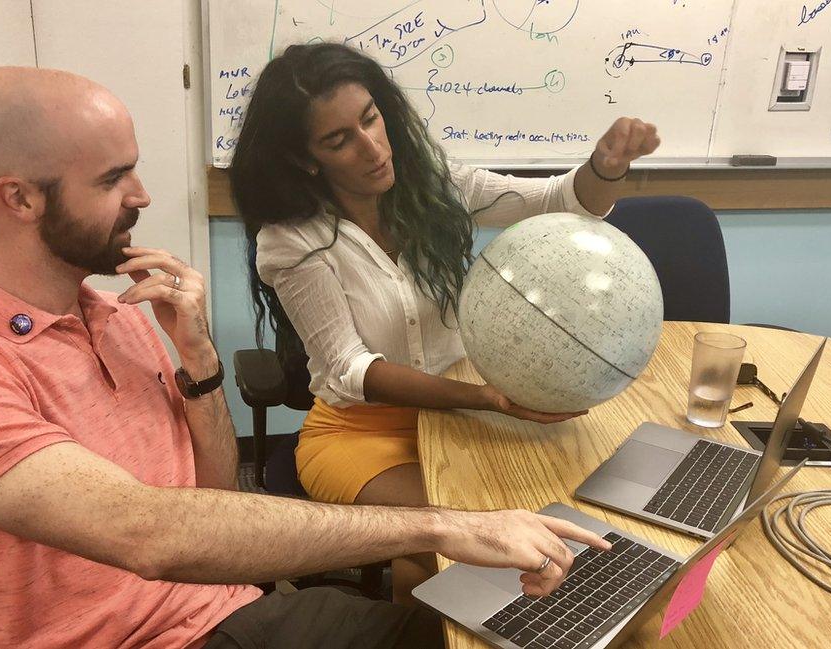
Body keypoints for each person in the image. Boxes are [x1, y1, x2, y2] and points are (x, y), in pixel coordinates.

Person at [0, 67, 612, 649]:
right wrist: (440, 525)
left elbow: (215, 490)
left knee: (517, 632)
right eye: (112, 178)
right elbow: (149, 534)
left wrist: (198, 363)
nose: (143, 195)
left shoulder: (115, 315)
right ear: (20, 200)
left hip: (231, 614)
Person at [230, 43, 659, 601]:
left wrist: (605, 167)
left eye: (370, 119)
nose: (372, 148)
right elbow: (351, 368)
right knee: (467, 531)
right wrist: (485, 398)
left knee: (568, 501)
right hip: (360, 435)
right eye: (340, 140)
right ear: (308, 159)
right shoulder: (292, 240)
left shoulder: (432, 184)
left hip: (460, 417)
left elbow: (556, 201)